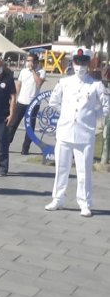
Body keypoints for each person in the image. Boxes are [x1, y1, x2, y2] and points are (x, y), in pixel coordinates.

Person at [45, 48, 110, 217]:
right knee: (61, 168)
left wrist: (91, 118)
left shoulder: (96, 85)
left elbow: (105, 107)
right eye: (77, 63)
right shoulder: (64, 82)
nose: (79, 66)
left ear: (88, 64)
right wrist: (66, 115)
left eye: (83, 63)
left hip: (84, 134)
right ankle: (58, 198)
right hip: (65, 132)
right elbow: (54, 102)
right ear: (72, 63)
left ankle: (85, 203)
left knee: (84, 172)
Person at [8, 53, 46, 155]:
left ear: (36, 62)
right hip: (21, 102)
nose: (29, 63)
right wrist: (14, 98)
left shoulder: (41, 72)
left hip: (33, 104)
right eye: (28, 61)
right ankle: (6, 143)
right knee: (13, 123)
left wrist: (33, 70)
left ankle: (25, 148)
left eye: (31, 61)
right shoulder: (23, 71)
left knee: (30, 127)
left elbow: (39, 83)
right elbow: (19, 85)